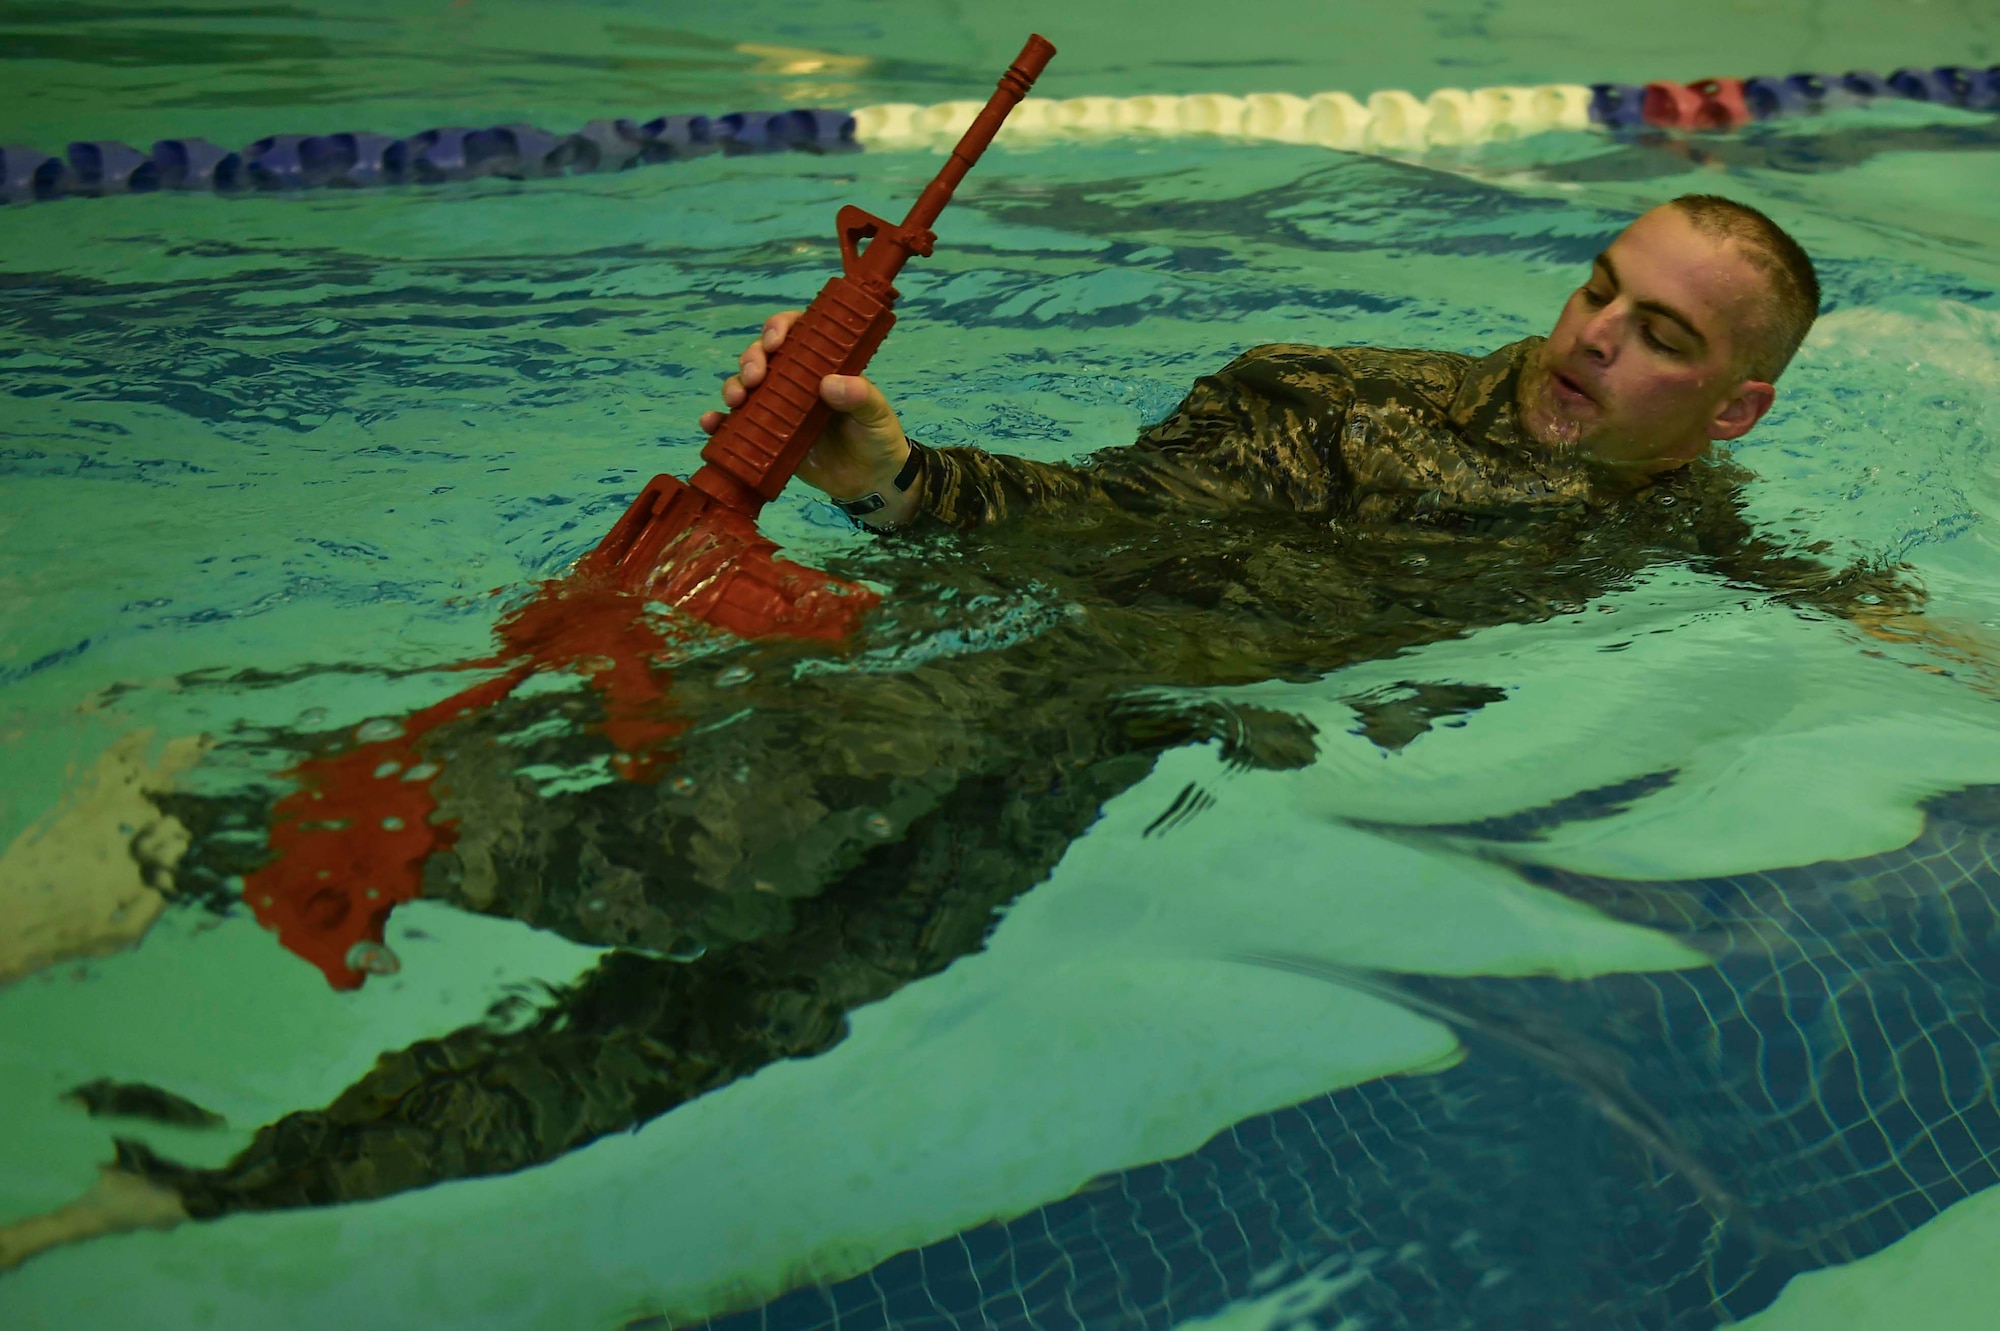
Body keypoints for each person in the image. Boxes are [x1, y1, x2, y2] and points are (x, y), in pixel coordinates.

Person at [0, 194, 1960, 1273]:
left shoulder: (1677, 507)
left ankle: (199, 1193)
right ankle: (201, 812)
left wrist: (1920, 634)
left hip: (1099, 740)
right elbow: (1111, 522)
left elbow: (1800, 578)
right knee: (682, 871)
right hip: (1003, 650)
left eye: (1661, 338)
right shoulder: (1333, 400)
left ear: (1728, 411)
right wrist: (902, 473)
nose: (1592, 340)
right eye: (1596, 290)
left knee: (765, 1010)